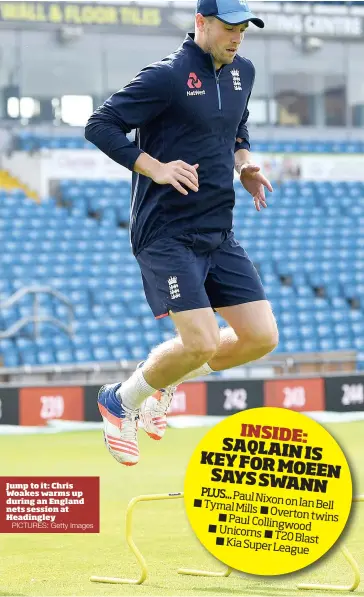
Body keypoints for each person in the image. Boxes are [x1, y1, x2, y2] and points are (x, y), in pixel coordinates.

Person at [85, 0, 278, 467]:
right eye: (228, 27)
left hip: (218, 229)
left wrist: (244, 163)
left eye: (243, 30)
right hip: (166, 232)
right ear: (201, 23)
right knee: (202, 343)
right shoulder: (167, 75)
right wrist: (154, 167)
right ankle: (120, 400)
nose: (237, 37)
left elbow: (236, 124)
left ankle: (168, 376)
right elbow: (100, 124)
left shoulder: (242, 72)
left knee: (261, 338)